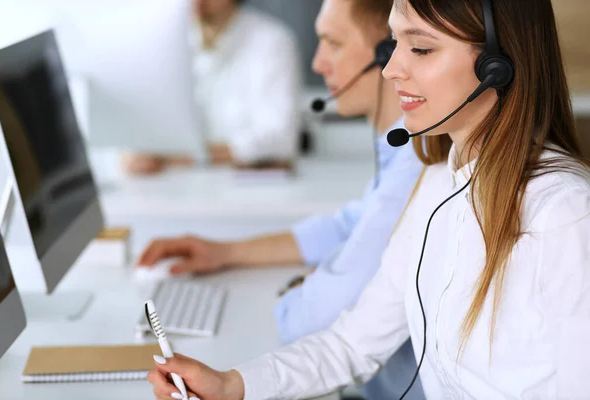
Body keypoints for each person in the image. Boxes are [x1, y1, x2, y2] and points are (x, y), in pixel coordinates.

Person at [146, 0, 590, 398]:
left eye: (420, 48)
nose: (390, 68)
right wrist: (231, 386)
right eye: (394, 43)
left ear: (499, 65)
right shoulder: (440, 182)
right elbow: (352, 344)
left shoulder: (566, 217)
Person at [139, 0, 427, 397]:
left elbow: (314, 321)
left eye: (333, 43)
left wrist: (298, 291)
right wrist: (226, 253)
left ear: (387, 54)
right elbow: (347, 224)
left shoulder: (418, 165)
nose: (318, 63)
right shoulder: (401, 153)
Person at [123, 0, 302, 174]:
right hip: (177, 190)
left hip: (248, 193)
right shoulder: (168, 40)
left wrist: (181, 157)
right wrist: (141, 151)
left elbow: (280, 140)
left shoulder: (271, 41)